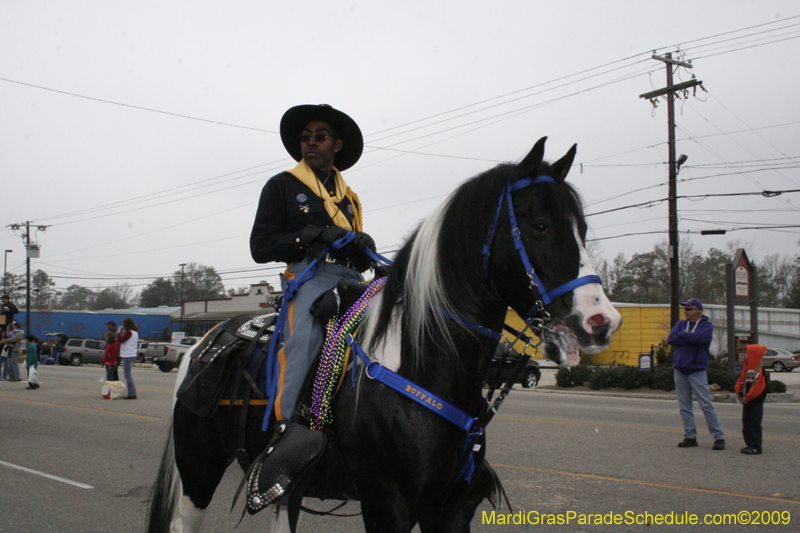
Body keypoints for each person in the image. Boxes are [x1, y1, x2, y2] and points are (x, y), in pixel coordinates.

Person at [247, 104, 376, 506]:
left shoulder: (350, 197)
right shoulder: (282, 185)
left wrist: (364, 248)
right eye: (306, 136)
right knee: (303, 337)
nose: (311, 142)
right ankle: (290, 435)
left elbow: (353, 249)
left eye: (320, 136)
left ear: (336, 144)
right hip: (310, 276)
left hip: (353, 281)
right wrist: (309, 235)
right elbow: (260, 246)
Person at [667, 298, 725, 450]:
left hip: (697, 370)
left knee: (706, 404)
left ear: (697, 310)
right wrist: (688, 337)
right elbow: (671, 339)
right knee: (684, 406)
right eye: (684, 309)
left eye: (688, 308)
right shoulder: (681, 324)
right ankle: (690, 436)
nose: (685, 311)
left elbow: (701, 338)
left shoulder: (706, 325)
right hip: (680, 369)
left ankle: (719, 437)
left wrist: (683, 336)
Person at [735, 344, 767, 455]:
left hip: (755, 401)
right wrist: (738, 392)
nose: (746, 356)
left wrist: (748, 398)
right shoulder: (747, 369)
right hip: (746, 401)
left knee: (754, 424)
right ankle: (749, 444)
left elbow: (758, 388)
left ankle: (756, 446)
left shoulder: (761, 370)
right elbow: (741, 380)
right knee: (746, 423)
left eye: (749, 354)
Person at [117, 318, 139, 399]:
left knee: (127, 375)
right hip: (132, 354)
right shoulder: (135, 333)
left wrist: (119, 332)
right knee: (128, 375)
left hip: (128, 355)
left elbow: (120, 340)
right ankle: (131, 393)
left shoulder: (129, 332)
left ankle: (132, 394)